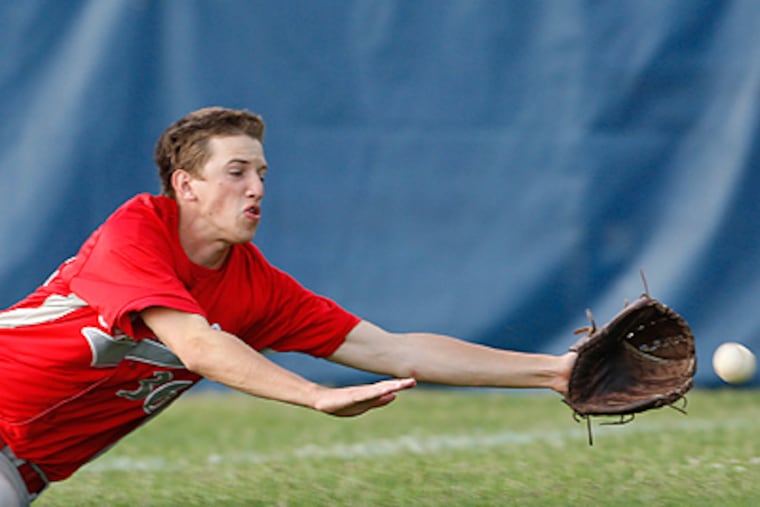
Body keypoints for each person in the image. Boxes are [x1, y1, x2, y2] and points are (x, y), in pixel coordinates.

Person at [0, 107, 576, 505]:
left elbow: (391, 348)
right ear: (185, 184)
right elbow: (198, 346)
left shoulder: (258, 288)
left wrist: (551, 372)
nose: (257, 187)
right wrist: (315, 394)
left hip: (24, 471)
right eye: (237, 171)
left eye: (262, 173)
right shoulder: (136, 233)